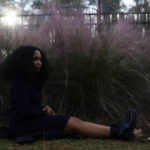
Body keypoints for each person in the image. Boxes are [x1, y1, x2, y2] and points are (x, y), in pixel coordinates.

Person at [0, 45, 137, 144]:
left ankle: (119, 130)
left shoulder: (32, 81)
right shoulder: (20, 82)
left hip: (30, 121)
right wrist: (43, 113)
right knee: (73, 122)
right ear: (24, 61)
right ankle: (119, 131)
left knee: (74, 123)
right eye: (34, 59)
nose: (39, 63)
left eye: (40, 59)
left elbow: (29, 107)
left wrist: (42, 109)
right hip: (23, 126)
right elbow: (24, 111)